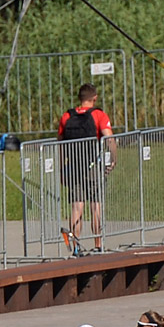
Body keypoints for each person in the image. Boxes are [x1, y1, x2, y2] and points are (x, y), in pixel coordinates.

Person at [54, 83, 113, 253]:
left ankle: (75, 247)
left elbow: (60, 143)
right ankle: (98, 246)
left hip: (73, 166)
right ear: (94, 98)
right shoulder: (98, 115)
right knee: (96, 206)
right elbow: (109, 139)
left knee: (76, 207)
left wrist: (62, 168)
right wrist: (112, 160)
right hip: (93, 166)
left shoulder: (67, 116)